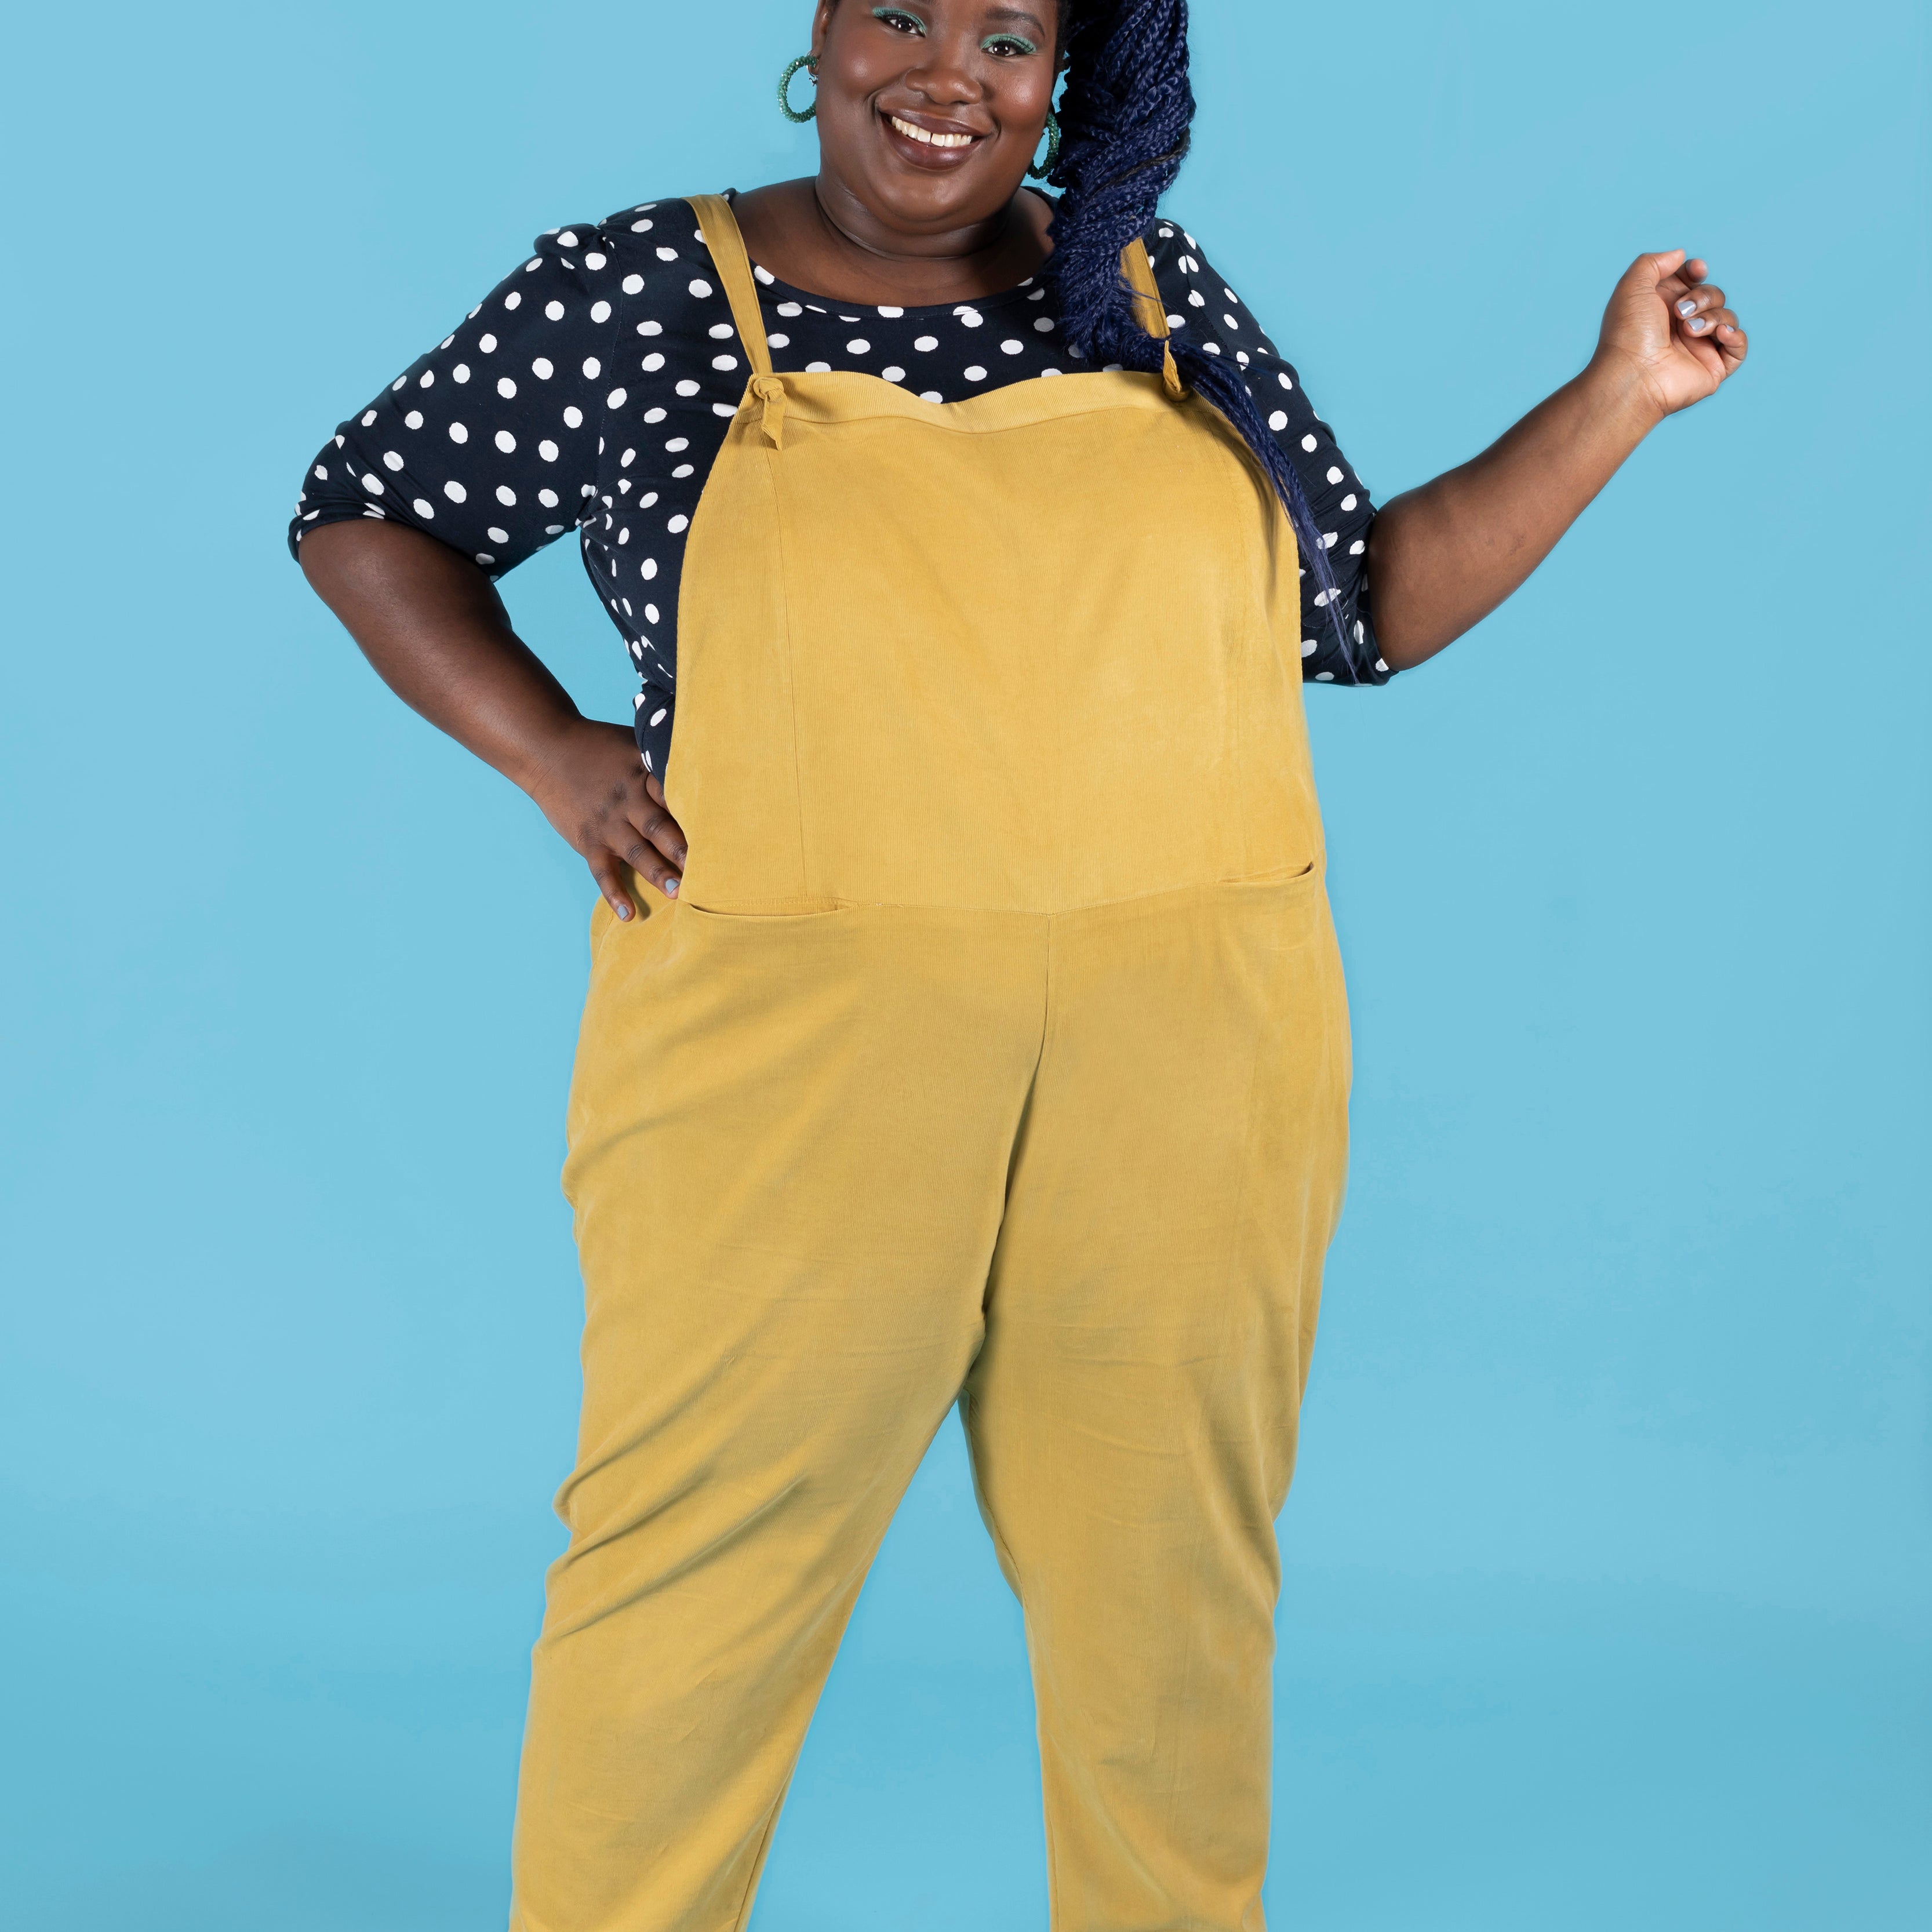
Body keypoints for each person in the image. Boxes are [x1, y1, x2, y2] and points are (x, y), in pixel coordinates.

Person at [292, 3, 1749, 1926]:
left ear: (1069, 75)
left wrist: (1618, 394)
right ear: (822, 31)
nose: (946, 77)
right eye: (902, 13)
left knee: (1173, 1591)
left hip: (1194, 1049)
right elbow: (370, 510)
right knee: (696, 1570)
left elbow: (1366, 609)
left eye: (1006, 37)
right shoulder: (644, 293)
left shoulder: (1141, 289)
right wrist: (557, 753)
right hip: (793, 1059)